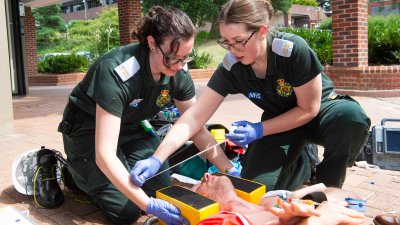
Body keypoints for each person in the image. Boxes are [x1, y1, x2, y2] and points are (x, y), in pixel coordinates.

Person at [131, 0, 371, 191]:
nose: (233, 50)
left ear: (262, 32)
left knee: (350, 117)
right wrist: (157, 157)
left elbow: (308, 109)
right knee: (255, 188)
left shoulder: (292, 51)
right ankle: (304, 165)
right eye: (226, 42)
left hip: (319, 113)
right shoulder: (232, 67)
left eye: (238, 41)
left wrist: (258, 130)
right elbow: (194, 118)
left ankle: (328, 184)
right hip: (279, 124)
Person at [58, 6, 237, 224]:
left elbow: (195, 126)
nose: (180, 66)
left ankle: (109, 175)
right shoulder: (116, 71)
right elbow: (104, 153)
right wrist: (147, 205)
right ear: (152, 43)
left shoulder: (178, 71)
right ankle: (76, 175)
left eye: (186, 57)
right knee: (127, 210)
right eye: (173, 57)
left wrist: (228, 169)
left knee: (160, 187)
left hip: (131, 125)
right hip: (89, 129)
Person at [192, 173, 365, 225]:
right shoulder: (217, 221)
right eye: (198, 185)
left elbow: (354, 200)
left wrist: (314, 201)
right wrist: (319, 220)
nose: (205, 175)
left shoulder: (269, 199)